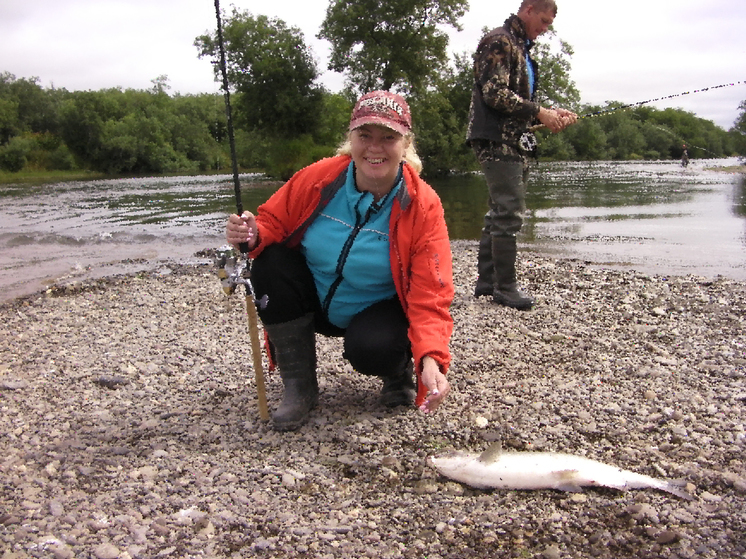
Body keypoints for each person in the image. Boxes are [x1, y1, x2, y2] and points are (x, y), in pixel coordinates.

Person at [226, 91, 454, 431]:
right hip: (314, 303)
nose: (374, 148)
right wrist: (251, 234)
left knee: (374, 349)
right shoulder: (319, 177)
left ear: (405, 144)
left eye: (388, 138)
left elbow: (431, 293)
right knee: (270, 260)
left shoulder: (423, 204)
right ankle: (299, 386)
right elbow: (272, 223)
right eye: (365, 136)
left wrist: (432, 359)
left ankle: (397, 372)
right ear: (351, 139)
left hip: (377, 312)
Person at [466, 0, 577, 310]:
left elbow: (518, 100)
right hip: (494, 138)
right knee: (509, 211)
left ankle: (487, 282)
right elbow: (494, 93)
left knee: (498, 211)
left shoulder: (521, 48)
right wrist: (539, 112)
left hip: (514, 138)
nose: (544, 29)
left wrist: (551, 114)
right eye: (542, 21)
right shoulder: (500, 40)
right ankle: (505, 287)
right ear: (527, 9)